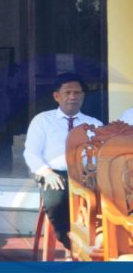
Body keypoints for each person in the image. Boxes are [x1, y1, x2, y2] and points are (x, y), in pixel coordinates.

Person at [23, 72, 102, 248]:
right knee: (57, 201)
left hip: (87, 175)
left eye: (77, 93)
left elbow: (102, 155)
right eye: (67, 92)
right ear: (56, 96)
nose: (73, 97)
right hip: (55, 174)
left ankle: (100, 243)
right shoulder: (42, 120)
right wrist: (46, 173)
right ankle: (72, 245)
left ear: (83, 96)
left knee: (110, 199)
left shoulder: (95, 124)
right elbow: (31, 153)